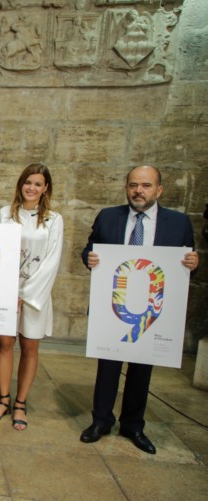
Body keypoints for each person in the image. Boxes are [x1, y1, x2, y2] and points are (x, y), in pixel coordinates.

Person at [79, 165, 198, 454]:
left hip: (152, 308)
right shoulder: (109, 217)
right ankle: (101, 421)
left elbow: (185, 264)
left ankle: (133, 425)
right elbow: (89, 250)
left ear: (159, 190)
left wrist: (193, 264)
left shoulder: (178, 223)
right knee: (108, 365)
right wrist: (90, 258)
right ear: (126, 187)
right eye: (133, 185)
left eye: (145, 186)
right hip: (114, 305)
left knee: (142, 367)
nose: (138, 191)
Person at [0, 163, 63, 430]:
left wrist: (26, 294)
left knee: (29, 347)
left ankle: (20, 403)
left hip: (36, 292)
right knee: (4, 344)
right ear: (20, 184)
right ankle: (3, 399)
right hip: (5, 290)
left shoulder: (54, 219)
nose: (31, 188)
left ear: (45, 188)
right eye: (27, 182)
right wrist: (7, 291)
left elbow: (52, 260)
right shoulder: (4, 214)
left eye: (38, 184)